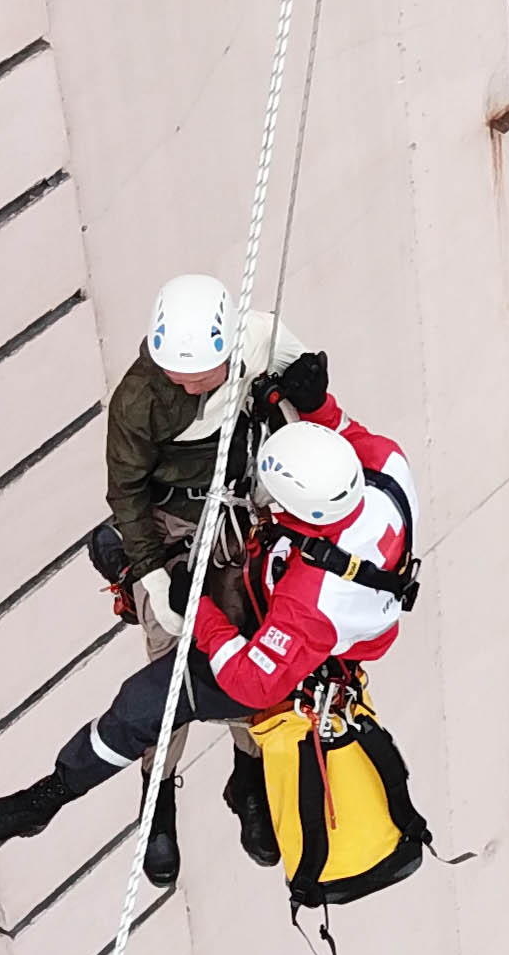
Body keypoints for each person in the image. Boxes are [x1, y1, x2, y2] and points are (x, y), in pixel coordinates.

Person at [0, 407, 416, 861]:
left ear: (301, 512)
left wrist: (200, 614)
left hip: (297, 662)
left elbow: (250, 680)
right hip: (292, 598)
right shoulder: (382, 466)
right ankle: (137, 576)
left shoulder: (313, 600)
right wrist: (314, 402)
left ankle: (44, 800)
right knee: (162, 563)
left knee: (145, 704)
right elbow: (340, 428)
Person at [86, 272, 329, 888]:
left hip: (240, 514)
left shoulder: (259, 341)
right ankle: (157, 795)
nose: (189, 383)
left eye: (200, 373)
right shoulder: (141, 400)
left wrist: (301, 397)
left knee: (247, 661)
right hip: (171, 524)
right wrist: (152, 574)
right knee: (171, 669)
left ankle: (249, 779)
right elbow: (128, 495)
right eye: (179, 375)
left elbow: (304, 382)